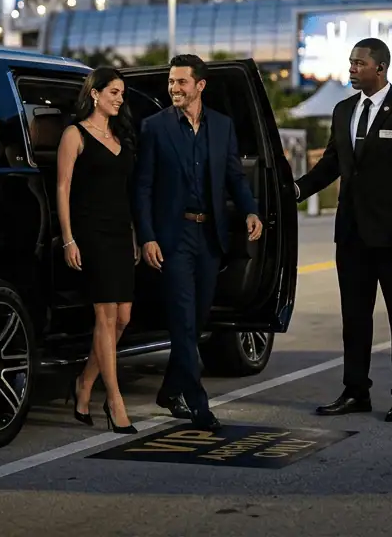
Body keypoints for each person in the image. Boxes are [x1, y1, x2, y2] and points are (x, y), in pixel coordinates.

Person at [293, 38, 392, 423]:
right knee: (354, 318)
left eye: (359, 63)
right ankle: (355, 391)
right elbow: (331, 165)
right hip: (351, 235)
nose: (352, 68)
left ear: (381, 68)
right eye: (351, 62)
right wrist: (296, 190)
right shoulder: (343, 111)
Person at [134, 54, 263, 432]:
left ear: (199, 86)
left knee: (198, 319)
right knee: (182, 322)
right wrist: (147, 236)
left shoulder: (222, 127)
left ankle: (170, 389)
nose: (174, 88)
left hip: (210, 236)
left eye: (181, 82)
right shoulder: (154, 127)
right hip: (173, 238)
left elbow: (236, 177)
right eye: (171, 82)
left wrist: (250, 211)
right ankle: (197, 403)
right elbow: (142, 188)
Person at [57, 66, 140, 434]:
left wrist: (136, 235)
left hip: (121, 233)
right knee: (105, 318)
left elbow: (126, 192)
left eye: (122, 94)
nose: (119, 99)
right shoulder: (74, 134)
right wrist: (69, 238)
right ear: (95, 94)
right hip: (91, 234)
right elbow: (63, 188)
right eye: (114, 92)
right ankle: (115, 399)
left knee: (123, 318)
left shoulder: (120, 137)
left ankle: (85, 383)